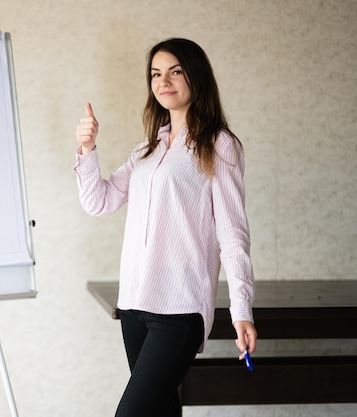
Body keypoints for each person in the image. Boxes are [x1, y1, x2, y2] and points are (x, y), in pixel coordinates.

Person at [74, 38, 258, 416]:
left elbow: (233, 235)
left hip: (179, 308)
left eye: (175, 71)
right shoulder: (148, 148)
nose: (164, 81)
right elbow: (99, 201)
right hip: (134, 306)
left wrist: (242, 310)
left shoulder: (218, 145)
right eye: (156, 74)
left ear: (196, 75)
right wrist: (88, 149)